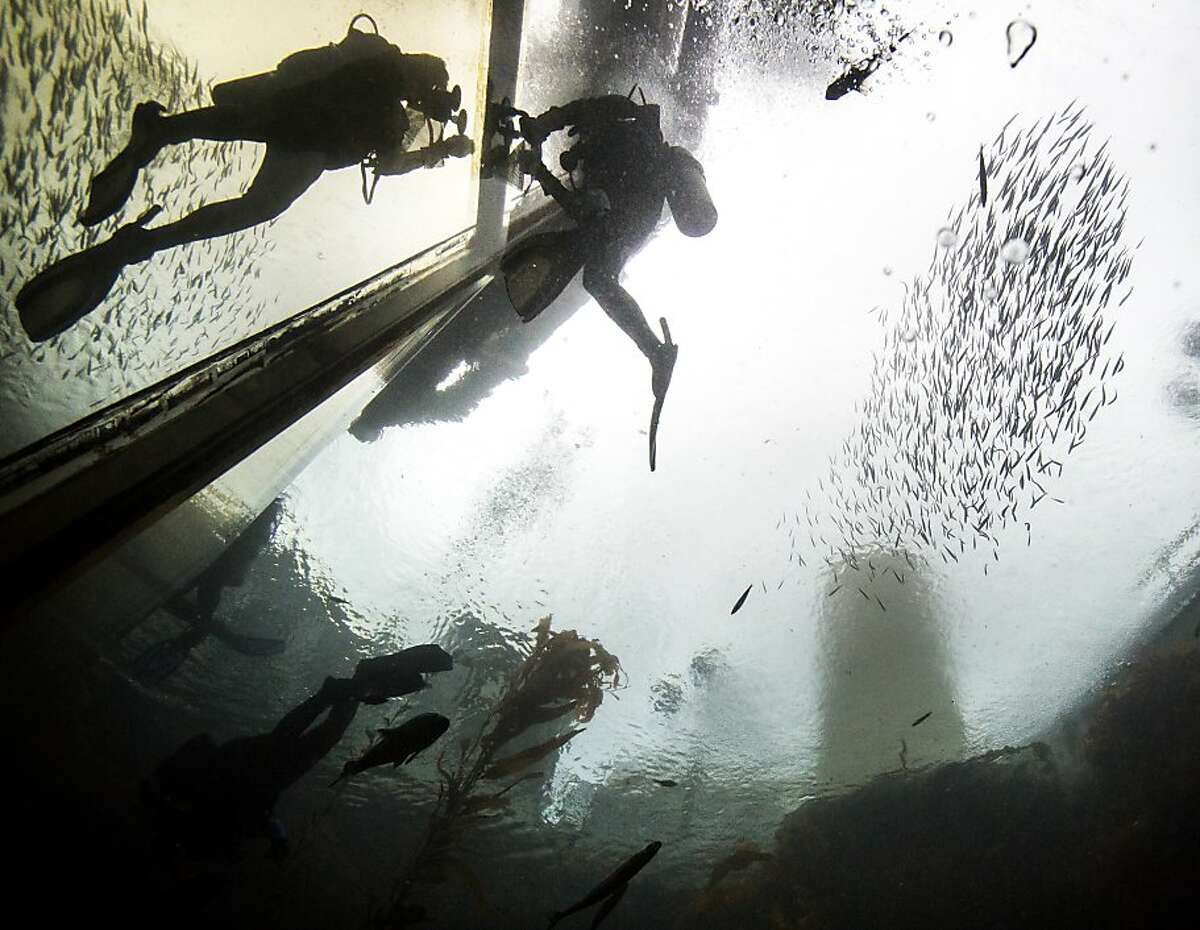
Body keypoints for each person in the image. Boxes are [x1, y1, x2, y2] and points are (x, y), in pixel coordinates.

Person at [17, 14, 474, 342]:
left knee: (238, 123)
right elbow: (391, 163)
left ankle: (162, 132)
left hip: (291, 108)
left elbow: (316, 72)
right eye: (432, 91)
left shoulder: (375, 60)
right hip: (308, 145)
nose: (429, 99)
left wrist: (431, 140)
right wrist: (437, 151)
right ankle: (147, 240)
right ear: (422, 80)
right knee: (257, 206)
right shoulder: (391, 110)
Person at [500, 92, 717, 470]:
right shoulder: (622, 143)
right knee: (598, 276)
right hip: (638, 215)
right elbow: (586, 206)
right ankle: (655, 352)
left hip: (629, 206)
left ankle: (656, 353)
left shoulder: (616, 131)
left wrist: (541, 148)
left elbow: (581, 202)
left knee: (595, 268)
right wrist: (543, 154)